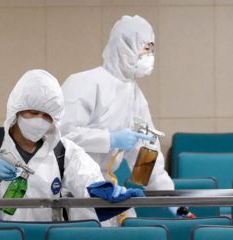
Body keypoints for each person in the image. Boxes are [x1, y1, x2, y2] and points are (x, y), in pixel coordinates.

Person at [0, 69, 142, 228]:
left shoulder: (64, 152)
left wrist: (106, 192)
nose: (40, 121)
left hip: (43, 235)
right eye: (33, 112)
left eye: (47, 116)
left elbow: (89, 180)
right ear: (16, 110)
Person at [60, 15, 183, 225]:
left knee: (131, 229)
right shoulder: (85, 83)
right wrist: (109, 139)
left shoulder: (135, 96)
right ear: (125, 47)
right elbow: (62, 136)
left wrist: (170, 199)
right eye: (145, 48)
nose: (149, 55)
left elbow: (144, 153)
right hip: (76, 190)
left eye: (151, 49)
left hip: (111, 191)